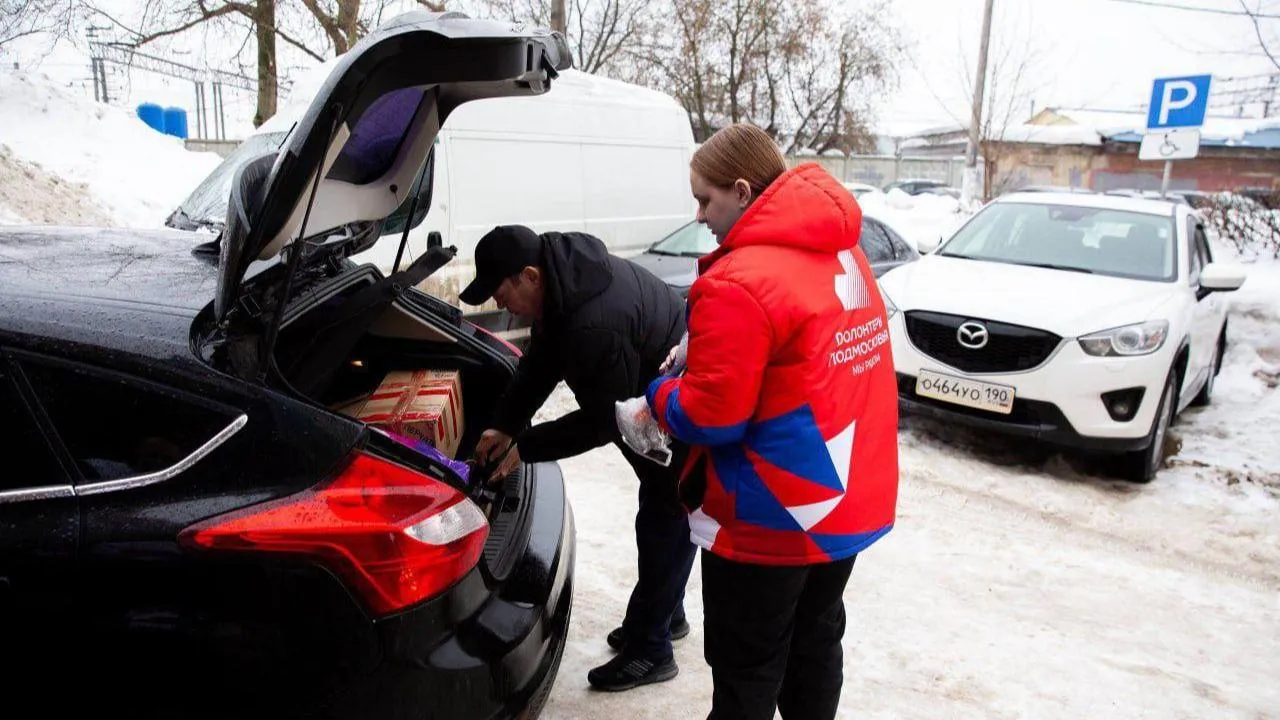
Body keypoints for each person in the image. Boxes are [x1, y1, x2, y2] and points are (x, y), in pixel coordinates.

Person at [643, 124, 900, 720]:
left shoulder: (738, 279)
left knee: (747, 668)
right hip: (847, 497)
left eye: (705, 199)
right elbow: (811, 366)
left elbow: (710, 416)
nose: (700, 215)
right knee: (815, 641)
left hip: (770, 515)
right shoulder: (843, 252)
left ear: (741, 190)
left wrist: (660, 394)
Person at [460, 224, 697, 692]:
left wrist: (524, 449)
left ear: (530, 276)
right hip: (644, 397)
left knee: (665, 514)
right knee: (661, 511)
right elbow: (541, 362)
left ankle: (651, 649)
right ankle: (664, 614)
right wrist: (505, 423)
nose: (504, 308)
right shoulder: (563, 281)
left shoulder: (593, 324)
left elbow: (603, 422)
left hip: (671, 405)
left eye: (503, 297)